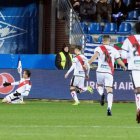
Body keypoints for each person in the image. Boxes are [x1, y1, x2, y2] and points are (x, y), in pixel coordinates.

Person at [88, 35, 127, 116]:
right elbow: (119, 61)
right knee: (109, 90)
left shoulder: (99, 48)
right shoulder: (114, 50)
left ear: (102, 40)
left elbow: (94, 57)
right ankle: (109, 108)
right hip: (108, 72)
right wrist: (124, 66)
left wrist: (88, 64)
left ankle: (101, 94)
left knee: (99, 85)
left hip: (99, 71)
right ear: (109, 41)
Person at [121, 22, 140, 123]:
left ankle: (139, 108)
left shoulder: (129, 40)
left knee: (138, 90)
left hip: (134, 67)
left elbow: (123, 55)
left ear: (135, 29)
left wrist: (132, 56)